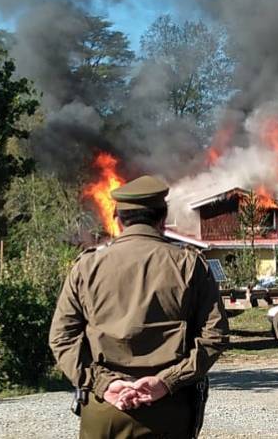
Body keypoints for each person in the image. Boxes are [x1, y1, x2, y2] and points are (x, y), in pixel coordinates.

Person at [49, 175, 230, 439]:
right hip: (170, 409)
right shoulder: (190, 266)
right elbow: (215, 336)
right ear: (162, 218)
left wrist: (104, 383)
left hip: (105, 408)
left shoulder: (87, 267)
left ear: (118, 220)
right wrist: (167, 382)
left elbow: (62, 338)